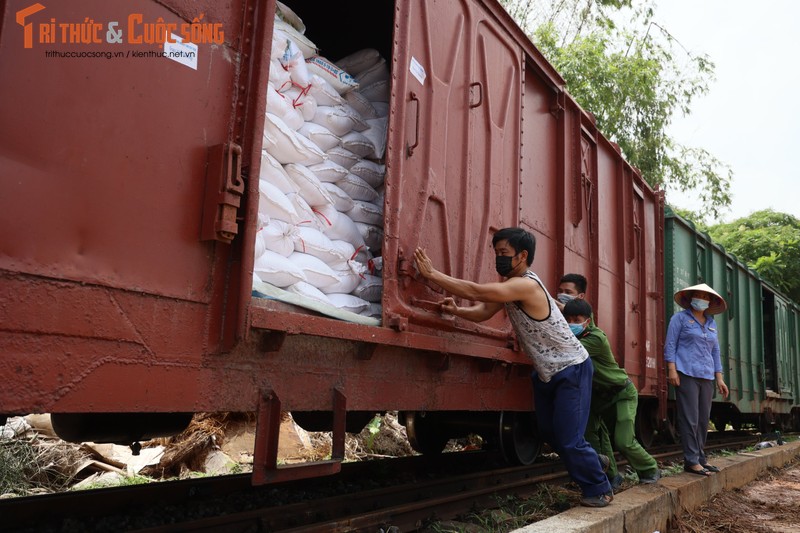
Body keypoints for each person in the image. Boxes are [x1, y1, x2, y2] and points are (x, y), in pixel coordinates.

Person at [414, 227, 613, 507]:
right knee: (548, 432)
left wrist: (432, 275)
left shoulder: (526, 285)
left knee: (569, 439)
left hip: (572, 368)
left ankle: (599, 489)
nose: (499, 259)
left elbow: (476, 291)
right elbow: (483, 311)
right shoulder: (511, 286)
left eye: (504, 253)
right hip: (546, 372)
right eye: (496, 253)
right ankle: (593, 460)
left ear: (522, 255)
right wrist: (456, 310)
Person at [563, 298, 661, 488]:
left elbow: (568, 351)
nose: (572, 323)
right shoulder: (577, 334)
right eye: (569, 319)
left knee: (623, 441)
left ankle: (649, 469)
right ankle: (611, 477)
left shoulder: (595, 338)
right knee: (594, 438)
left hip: (621, 393)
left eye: (577, 319)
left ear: (588, 321)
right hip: (597, 397)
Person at [664, 283, 730, 476]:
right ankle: (691, 461)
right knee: (689, 419)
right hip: (686, 373)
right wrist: (672, 370)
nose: (701, 298)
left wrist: (720, 378)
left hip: (707, 376)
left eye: (705, 296)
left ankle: (700, 458)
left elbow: (715, 351)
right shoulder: (680, 319)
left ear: (710, 302)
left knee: (702, 420)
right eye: (698, 295)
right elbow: (670, 345)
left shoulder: (711, 322)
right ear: (691, 298)